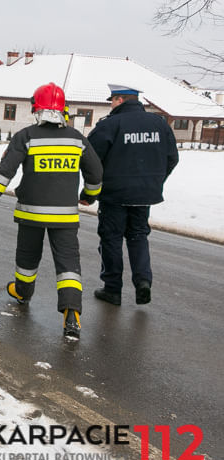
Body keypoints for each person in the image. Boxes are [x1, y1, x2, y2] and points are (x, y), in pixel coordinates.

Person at [0, 83, 103, 338]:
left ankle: (22, 292)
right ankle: (71, 313)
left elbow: (6, 172)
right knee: (68, 265)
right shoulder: (77, 139)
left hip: (31, 214)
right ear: (63, 111)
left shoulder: (26, 136)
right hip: (65, 216)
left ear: (37, 109)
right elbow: (96, 173)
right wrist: (89, 196)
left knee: (27, 258)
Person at [86, 85, 179, 306]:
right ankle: (143, 282)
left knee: (112, 239)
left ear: (119, 100)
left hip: (114, 195)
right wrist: (153, 182)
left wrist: (89, 192)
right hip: (145, 195)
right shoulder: (160, 124)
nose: (111, 104)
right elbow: (172, 158)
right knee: (138, 236)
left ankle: (112, 289)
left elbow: (91, 162)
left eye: (112, 100)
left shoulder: (109, 125)